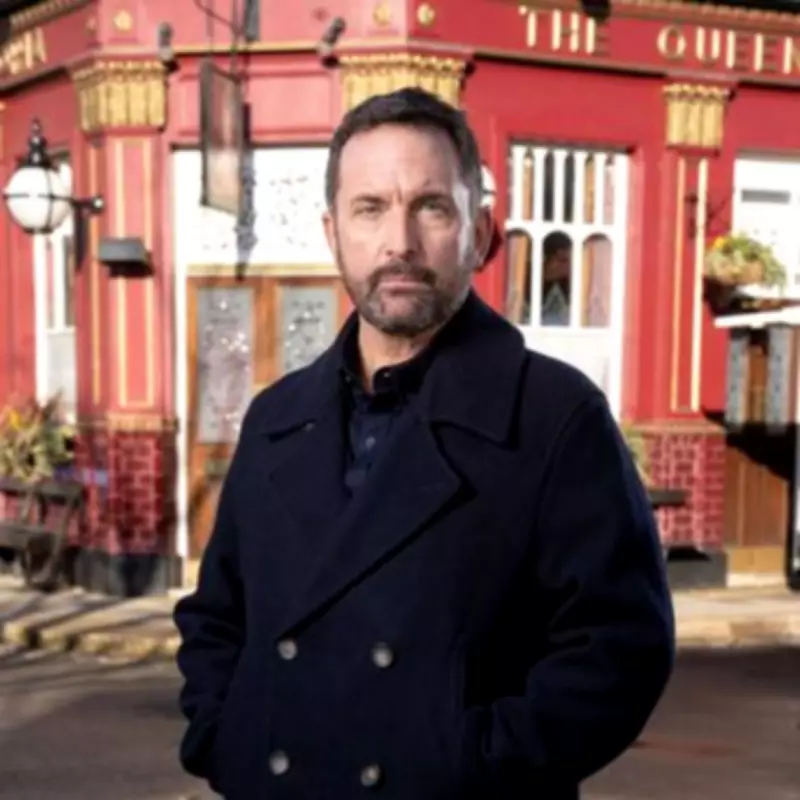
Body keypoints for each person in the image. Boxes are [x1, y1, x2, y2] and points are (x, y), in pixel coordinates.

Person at [174, 87, 675, 799]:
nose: (399, 243)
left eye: (431, 207)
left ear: (480, 232)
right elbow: (217, 617)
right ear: (332, 233)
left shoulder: (556, 416)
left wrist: (467, 764)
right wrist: (223, 738)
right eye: (370, 208)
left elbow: (619, 652)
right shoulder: (276, 417)